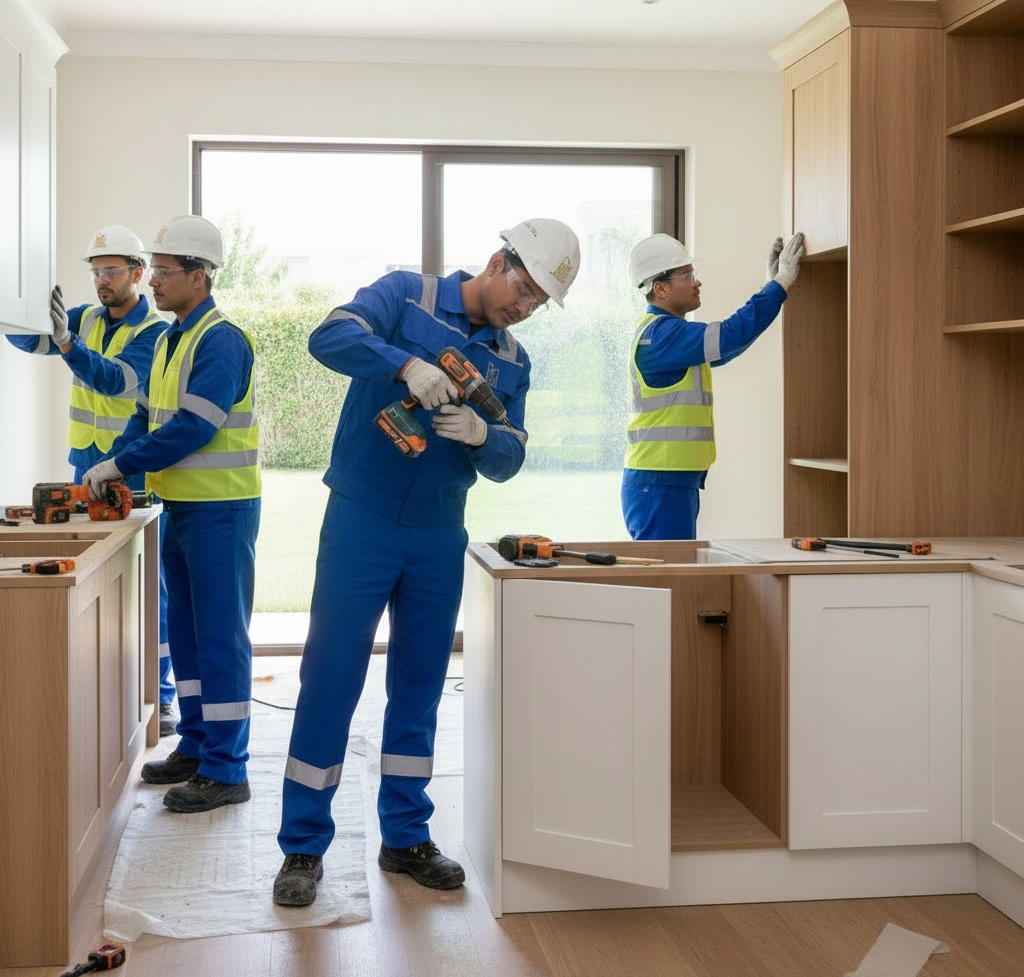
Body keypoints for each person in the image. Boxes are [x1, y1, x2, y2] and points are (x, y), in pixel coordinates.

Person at [272, 217, 581, 907]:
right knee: (331, 678)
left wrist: (481, 435)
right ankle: (303, 846)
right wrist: (402, 364)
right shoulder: (404, 295)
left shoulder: (513, 363)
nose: (525, 308)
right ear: (497, 261)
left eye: (538, 303)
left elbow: (511, 455)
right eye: (523, 290)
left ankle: (406, 837)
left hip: (440, 531)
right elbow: (328, 336)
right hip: (361, 518)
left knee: (419, 687)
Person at [83, 214, 261, 814]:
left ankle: (228, 769)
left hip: (222, 510)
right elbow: (146, 416)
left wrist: (119, 464)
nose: (152, 281)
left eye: (162, 271)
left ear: (199, 275)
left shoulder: (222, 341)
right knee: (185, 634)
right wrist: (112, 463)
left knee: (221, 639)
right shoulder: (167, 339)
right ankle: (198, 745)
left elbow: (193, 427)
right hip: (182, 507)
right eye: (152, 271)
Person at [4, 225, 180, 736]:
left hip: (132, 468)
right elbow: (30, 339)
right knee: (94, 578)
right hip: (85, 466)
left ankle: (162, 695)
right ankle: (109, 689)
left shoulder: (155, 333)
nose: (102, 280)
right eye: (96, 271)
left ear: (137, 274)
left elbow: (116, 380)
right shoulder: (83, 318)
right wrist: (16, 305)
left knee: (151, 585)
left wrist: (66, 342)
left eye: (112, 271)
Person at [621, 231, 805, 540]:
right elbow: (730, 335)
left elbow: (730, 345)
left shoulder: (670, 335)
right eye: (687, 275)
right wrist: (780, 283)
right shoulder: (663, 336)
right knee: (672, 569)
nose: (697, 282)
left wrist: (769, 287)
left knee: (677, 567)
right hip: (660, 481)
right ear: (660, 288)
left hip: (668, 481)